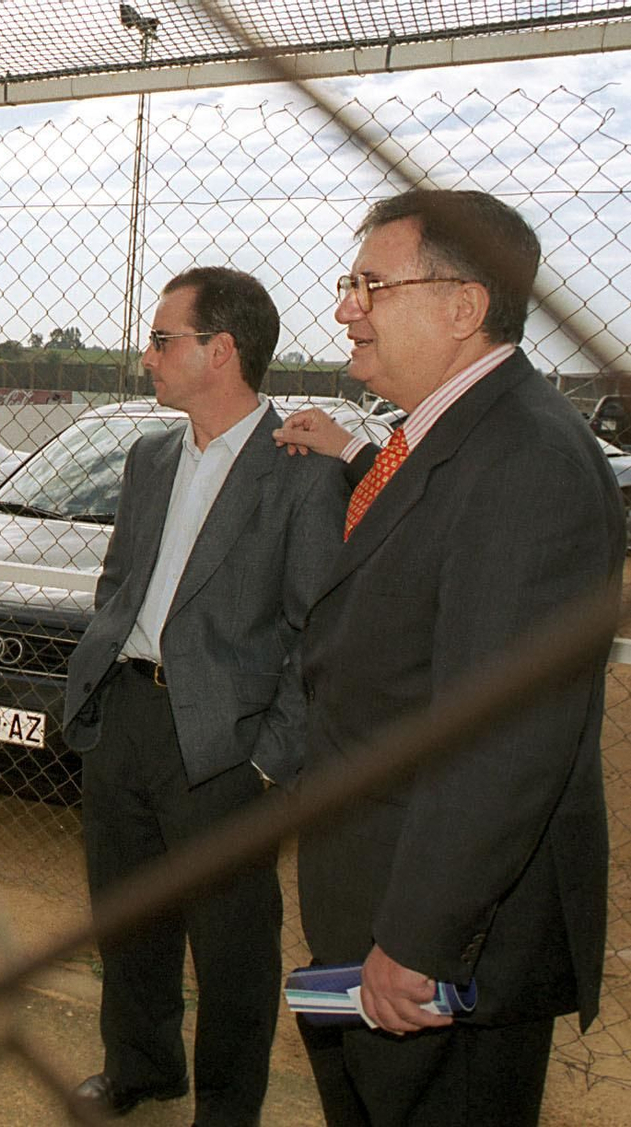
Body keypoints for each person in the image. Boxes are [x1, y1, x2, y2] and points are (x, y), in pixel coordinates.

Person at [278, 189, 621, 1126]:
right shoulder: (447, 433)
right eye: (351, 284)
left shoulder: (528, 462)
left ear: (464, 307)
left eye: (371, 285)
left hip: (439, 949)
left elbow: (506, 735)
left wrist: (421, 939)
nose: (347, 306)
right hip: (377, 897)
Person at [62, 267, 349, 1126]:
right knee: (127, 918)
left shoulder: (299, 469)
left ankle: (228, 1108)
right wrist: (101, 693)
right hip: (128, 718)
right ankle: (142, 1067)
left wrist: (268, 760)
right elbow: (120, 584)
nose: (147, 356)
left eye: (162, 340)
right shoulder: (150, 456)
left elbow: (317, 631)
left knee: (232, 952)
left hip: (226, 743)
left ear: (219, 351)